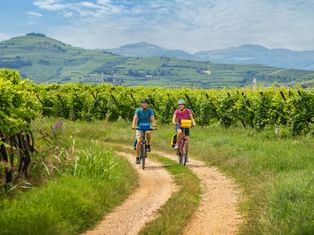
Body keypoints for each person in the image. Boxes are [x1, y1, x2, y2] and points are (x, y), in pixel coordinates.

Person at [132, 99, 157, 164]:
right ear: (141, 104)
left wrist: (154, 125)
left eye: (146, 103)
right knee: (139, 141)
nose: (144, 104)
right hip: (139, 127)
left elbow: (152, 119)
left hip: (147, 126)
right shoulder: (138, 110)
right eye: (143, 103)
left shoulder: (150, 111)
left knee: (148, 133)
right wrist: (133, 125)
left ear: (148, 104)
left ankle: (148, 145)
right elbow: (135, 118)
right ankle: (137, 157)